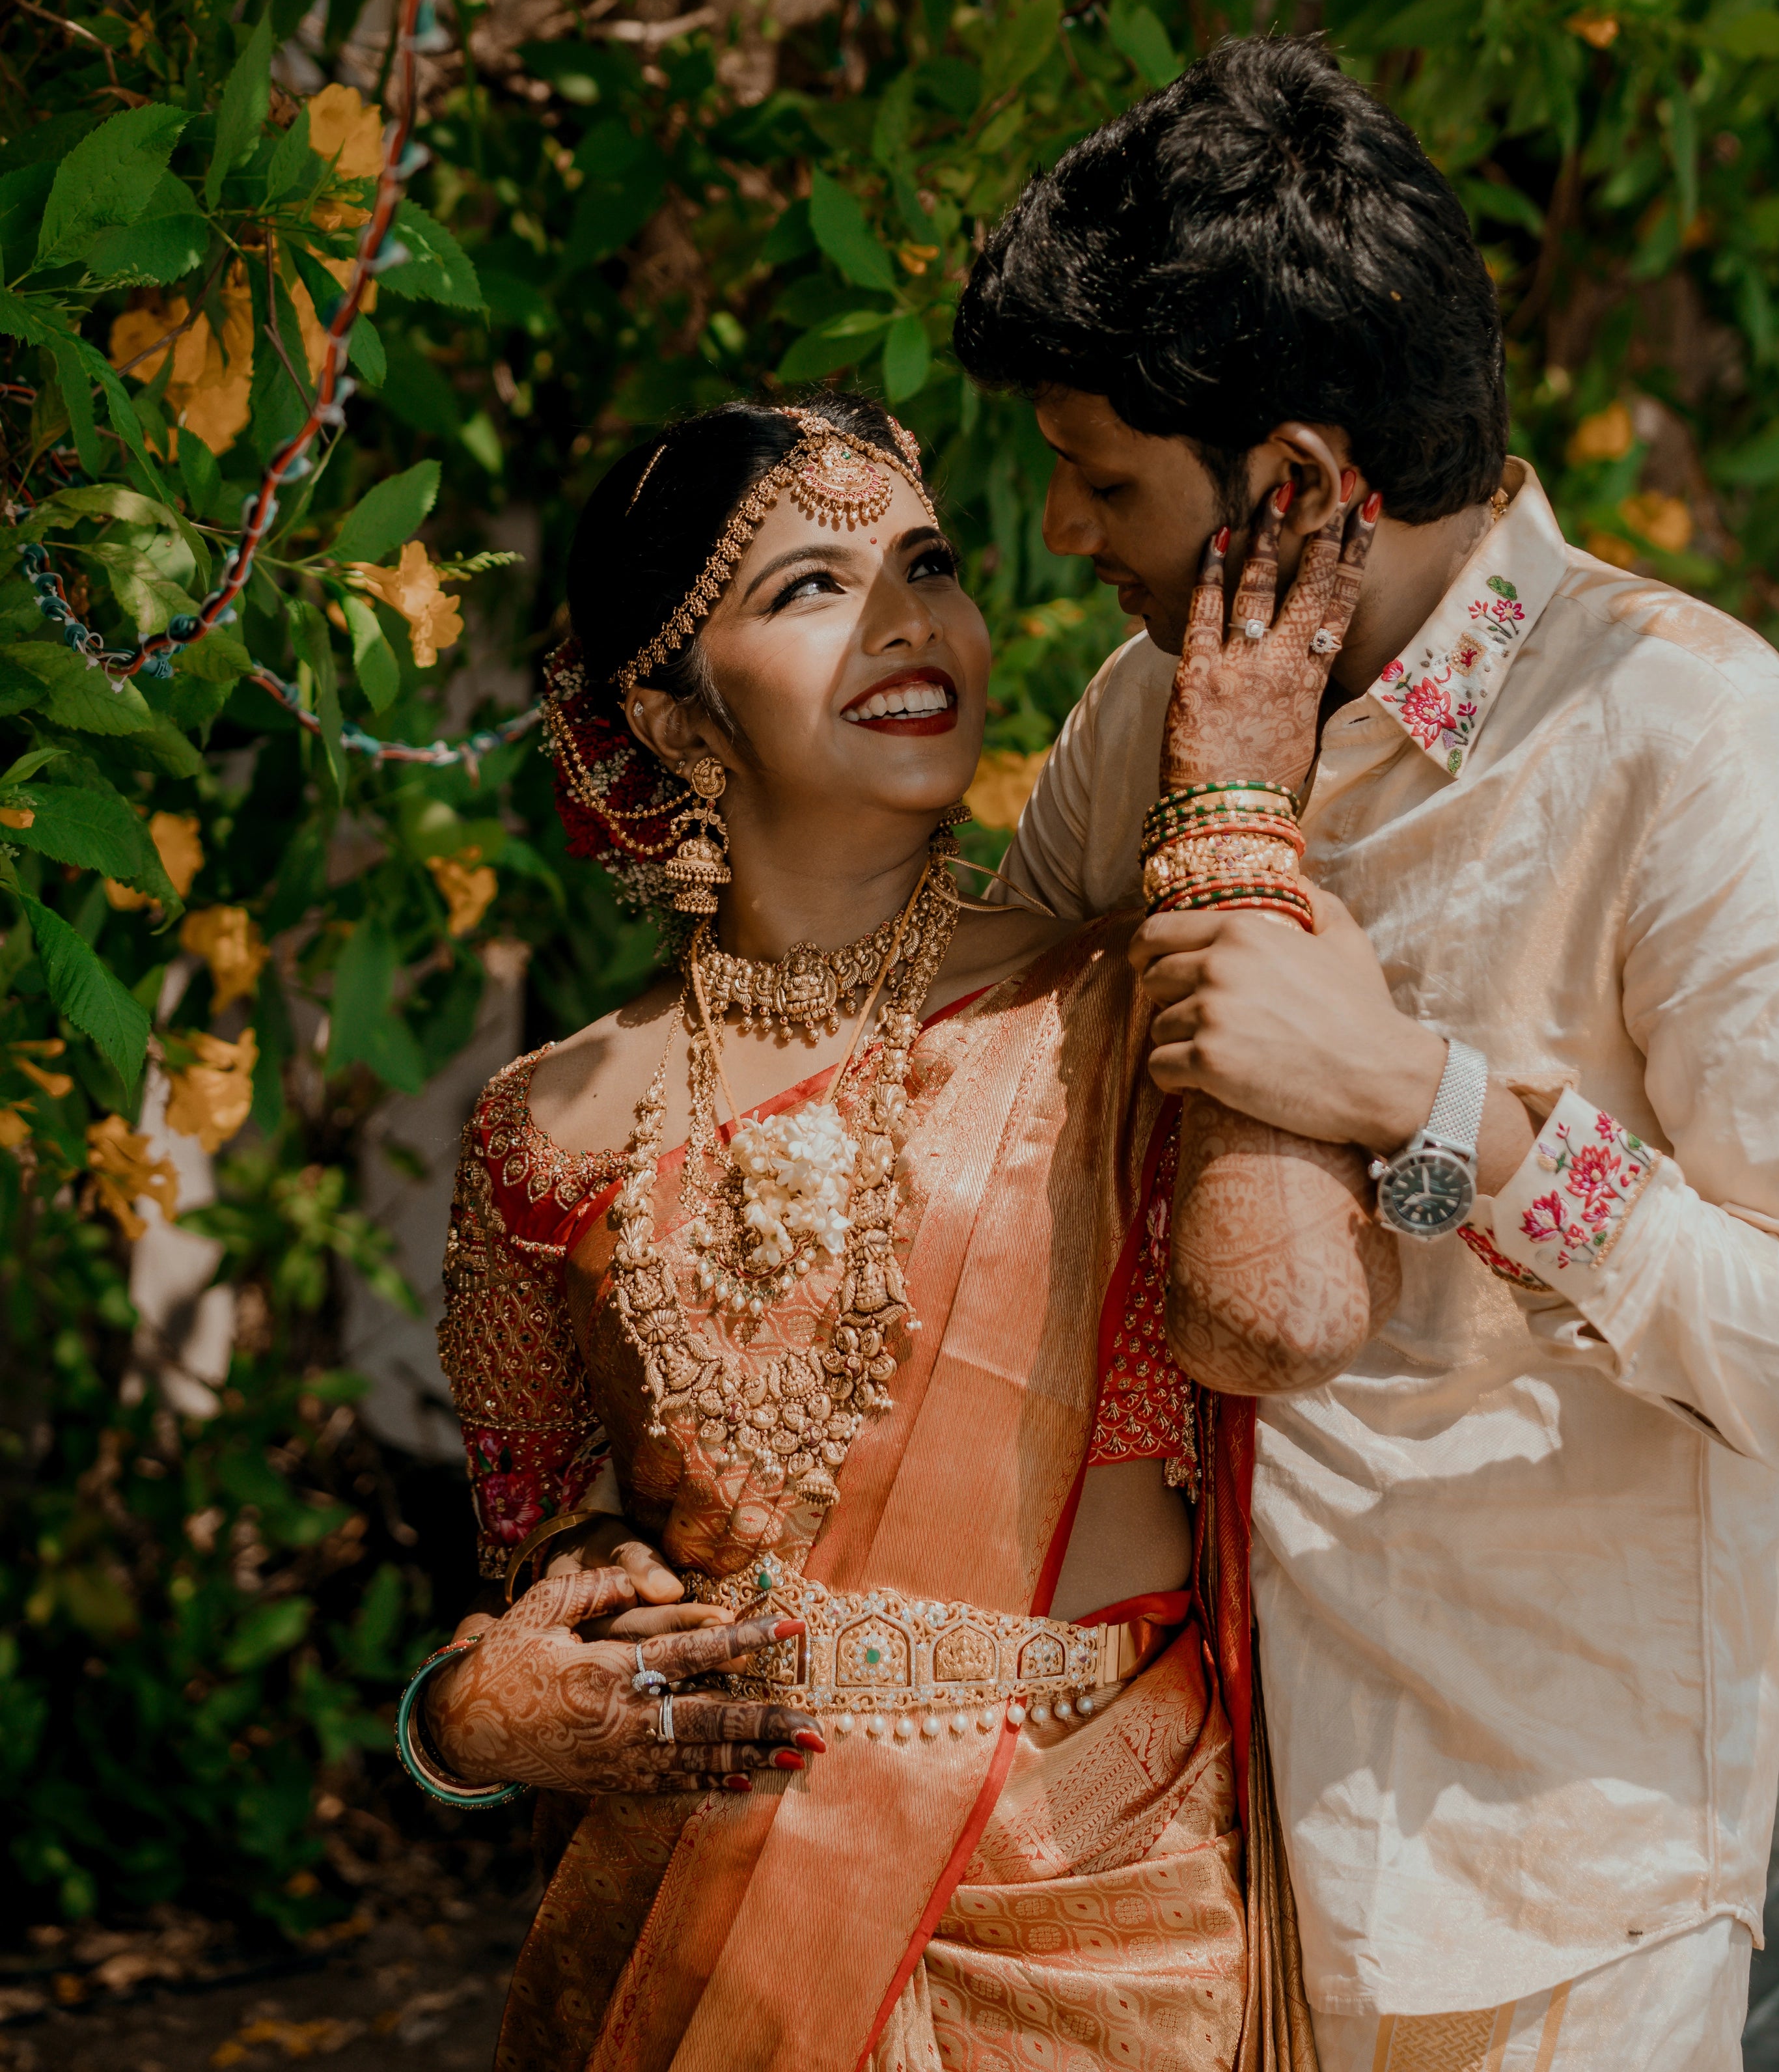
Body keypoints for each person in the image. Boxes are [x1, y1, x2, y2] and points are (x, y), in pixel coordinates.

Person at [953, 36, 1779, 2072]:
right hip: (1159, 1868)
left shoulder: (1689, 748)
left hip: (1539, 1897)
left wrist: (1436, 1114)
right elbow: (958, 1072)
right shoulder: (1154, 720)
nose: (1062, 532)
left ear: (1299, 484)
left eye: (1106, 475)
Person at [411, 390, 1399, 2072]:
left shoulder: (1127, 997)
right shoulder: (546, 1134)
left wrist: (1232, 812)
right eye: (808, 587)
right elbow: (544, 1577)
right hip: (708, 1934)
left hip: (1098, 1924)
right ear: (670, 713)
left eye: (926, 561)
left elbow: (1281, 1311)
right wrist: (465, 1719)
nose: (907, 618)